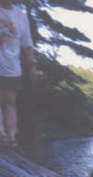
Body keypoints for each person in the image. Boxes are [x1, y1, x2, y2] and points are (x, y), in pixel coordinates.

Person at [0, 0, 37, 147]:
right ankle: (1, 133)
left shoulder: (20, 16)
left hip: (12, 67)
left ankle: (11, 138)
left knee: (10, 103)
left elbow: (27, 44)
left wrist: (32, 65)